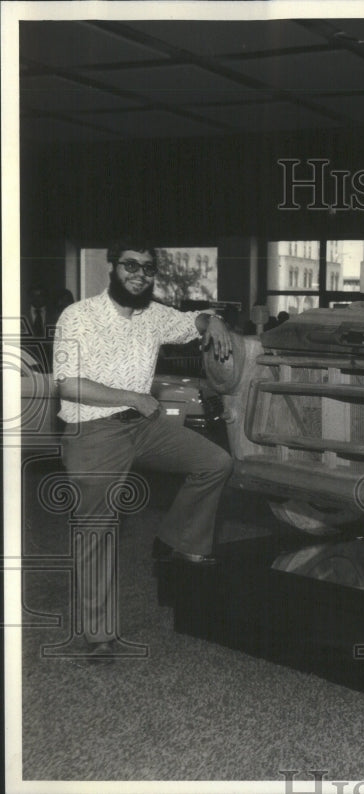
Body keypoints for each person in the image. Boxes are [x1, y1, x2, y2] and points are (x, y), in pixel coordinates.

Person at [53, 239, 234, 665]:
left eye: (148, 268)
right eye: (131, 265)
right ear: (111, 267)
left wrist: (217, 322)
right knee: (96, 529)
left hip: (143, 426)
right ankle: (97, 635)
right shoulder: (79, 317)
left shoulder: (154, 315)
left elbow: (195, 320)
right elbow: (68, 384)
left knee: (215, 462)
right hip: (92, 430)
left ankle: (173, 538)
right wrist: (133, 398)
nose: (140, 274)